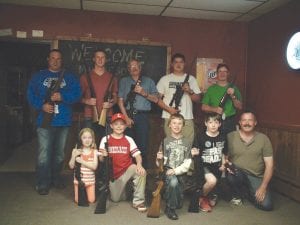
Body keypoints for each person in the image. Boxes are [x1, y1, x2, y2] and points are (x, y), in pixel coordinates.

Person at [27, 49, 81, 195]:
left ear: (61, 61)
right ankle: (43, 182)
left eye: (58, 59)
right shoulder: (38, 76)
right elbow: (30, 95)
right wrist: (41, 105)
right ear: (48, 59)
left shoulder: (69, 77)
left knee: (59, 154)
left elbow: (77, 94)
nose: (55, 61)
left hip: (63, 121)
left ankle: (56, 178)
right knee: (44, 154)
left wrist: (62, 97)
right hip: (44, 122)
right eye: (53, 58)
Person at [98, 113, 147, 212]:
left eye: (121, 124)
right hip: (113, 176)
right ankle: (128, 189)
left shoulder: (129, 139)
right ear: (111, 126)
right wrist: (103, 155)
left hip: (127, 170)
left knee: (140, 171)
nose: (119, 126)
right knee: (116, 199)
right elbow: (100, 160)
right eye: (116, 124)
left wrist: (139, 164)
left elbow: (137, 155)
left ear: (125, 126)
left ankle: (138, 202)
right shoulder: (105, 139)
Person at [226, 111, 274, 211]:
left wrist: (263, 187)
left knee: (267, 205)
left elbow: (269, 165)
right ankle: (238, 192)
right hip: (237, 173)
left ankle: (247, 192)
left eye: (250, 120)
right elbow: (223, 157)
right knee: (232, 176)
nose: (247, 123)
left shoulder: (263, 139)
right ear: (239, 122)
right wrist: (227, 166)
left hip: (255, 176)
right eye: (244, 120)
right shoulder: (230, 136)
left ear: (255, 123)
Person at [118, 59, 159, 168]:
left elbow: (156, 99)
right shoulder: (124, 81)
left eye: (136, 66)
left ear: (140, 68)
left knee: (142, 147)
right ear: (128, 69)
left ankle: (142, 174)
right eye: (131, 66)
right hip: (127, 116)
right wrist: (126, 118)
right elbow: (120, 101)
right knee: (127, 147)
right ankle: (128, 175)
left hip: (142, 117)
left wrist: (144, 93)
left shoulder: (149, 81)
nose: (134, 68)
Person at [157, 53, 201, 144]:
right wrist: (169, 109)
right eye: (176, 62)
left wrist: (190, 91)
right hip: (169, 117)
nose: (178, 64)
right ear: (172, 64)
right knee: (171, 145)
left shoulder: (191, 79)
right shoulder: (164, 79)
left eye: (181, 62)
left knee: (188, 145)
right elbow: (157, 99)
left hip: (187, 117)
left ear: (184, 64)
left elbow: (197, 99)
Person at [156, 113, 192, 220]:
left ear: (183, 125)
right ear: (169, 125)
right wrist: (159, 159)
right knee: (173, 182)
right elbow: (159, 164)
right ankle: (170, 208)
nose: (177, 126)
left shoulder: (187, 142)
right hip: (167, 170)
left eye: (180, 123)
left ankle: (170, 197)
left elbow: (188, 162)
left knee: (179, 200)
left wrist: (175, 171)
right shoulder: (165, 141)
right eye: (174, 123)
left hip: (181, 171)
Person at [191, 113, 227, 212]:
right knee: (212, 181)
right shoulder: (200, 136)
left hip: (217, 166)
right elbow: (194, 150)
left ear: (219, 124)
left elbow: (224, 152)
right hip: (204, 165)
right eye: (210, 122)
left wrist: (223, 164)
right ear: (206, 123)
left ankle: (211, 194)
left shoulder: (223, 137)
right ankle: (202, 198)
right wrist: (194, 152)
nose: (213, 125)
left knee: (214, 187)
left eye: (216, 122)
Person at [80, 49, 118, 144]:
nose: (100, 60)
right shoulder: (85, 77)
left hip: (108, 116)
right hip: (89, 115)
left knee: (107, 145)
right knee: (88, 145)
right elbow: (77, 97)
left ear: (106, 60)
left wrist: (111, 104)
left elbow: (116, 97)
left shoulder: (112, 77)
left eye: (102, 57)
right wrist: (87, 101)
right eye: (97, 57)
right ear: (93, 59)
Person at [202, 63, 242, 135]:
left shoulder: (234, 88)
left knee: (231, 144)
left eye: (225, 71)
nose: (222, 73)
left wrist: (233, 96)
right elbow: (203, 107)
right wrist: (215, 109)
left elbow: (239, 107)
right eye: (220, 71)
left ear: (228, 74)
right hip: (215, 121)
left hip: (230, 121)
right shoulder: (211, 89)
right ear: (217, 73)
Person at [69, 128, 98, 203]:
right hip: (79, 182)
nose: (87, 140)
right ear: (80, 139)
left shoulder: (94, 152)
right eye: (84, 138)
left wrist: (82, 161)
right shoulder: (77, 151)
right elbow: (71, 166)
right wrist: (73, 156)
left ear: (92, 139)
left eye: (89, 137)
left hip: (90, 181)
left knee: (91, 200)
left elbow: (94, 167)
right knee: (78, 200)